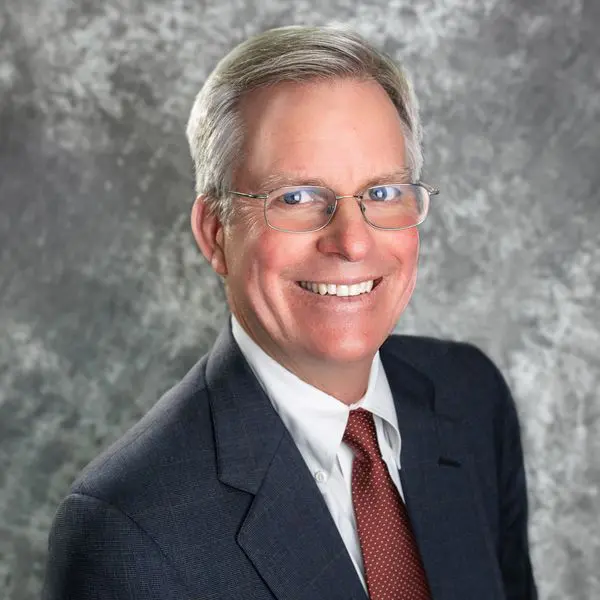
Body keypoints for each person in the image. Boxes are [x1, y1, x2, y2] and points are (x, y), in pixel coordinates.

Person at [42, 26, 537, 600]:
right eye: (298, 198)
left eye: (381, 193)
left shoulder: (470, 397)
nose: (352, 243)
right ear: (216, 233)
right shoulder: (125, 530)